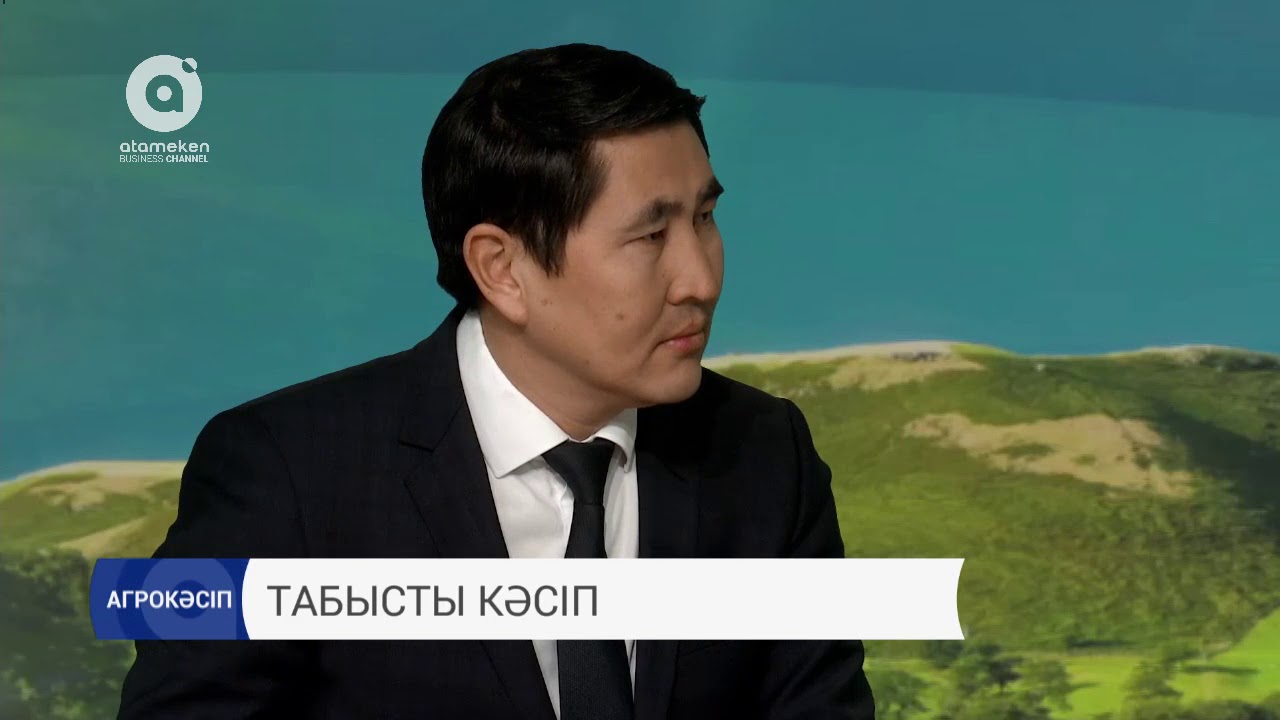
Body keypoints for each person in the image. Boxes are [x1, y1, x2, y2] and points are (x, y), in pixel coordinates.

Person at [117, 42, 875, 720]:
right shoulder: (284, 471)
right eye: (651, 235)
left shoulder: (765, 453)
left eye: (704, 219)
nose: (700, 279)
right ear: (501, 268)